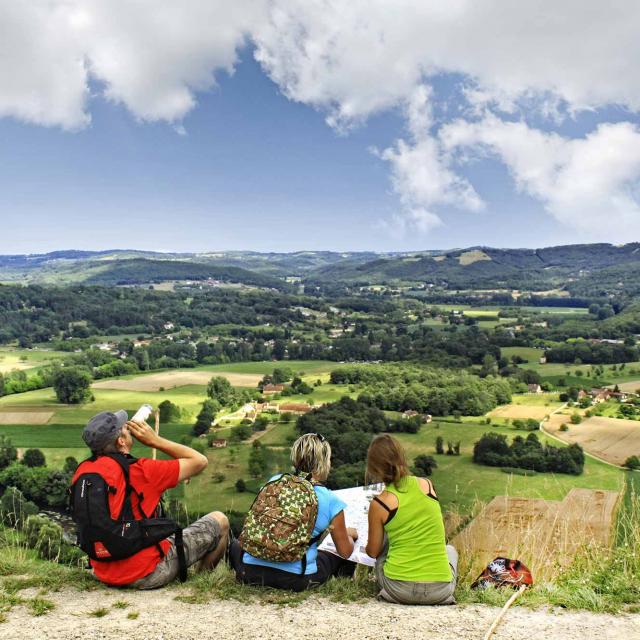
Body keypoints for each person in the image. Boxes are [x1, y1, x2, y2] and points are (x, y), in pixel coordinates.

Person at [72, 409, 229, 589]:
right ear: (121, 441)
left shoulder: (83, 472)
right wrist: (154, 440)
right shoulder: (143, 471)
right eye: (125, 427)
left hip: (103, 572)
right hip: (144, 573)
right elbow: (200, 460)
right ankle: (200, 584)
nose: (130, 427)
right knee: (220, 520)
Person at [229, 433, 357, 591]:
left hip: (248, 572)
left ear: (296, 459)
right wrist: (350, 538)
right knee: (333, 555)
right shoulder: (331, 500)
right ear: (324, 462)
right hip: (295, 580)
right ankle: (346, 586)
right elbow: (345, 552)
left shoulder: (274, 481)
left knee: (235, 544)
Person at [365, 434, 457, 605]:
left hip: (399, 589)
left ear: (374, 468)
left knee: (383, 549)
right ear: (402, 457)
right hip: (440, 591)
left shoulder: (380, 503)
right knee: (450, 550)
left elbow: (372, 552)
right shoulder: (427, 486)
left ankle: (389, 591)